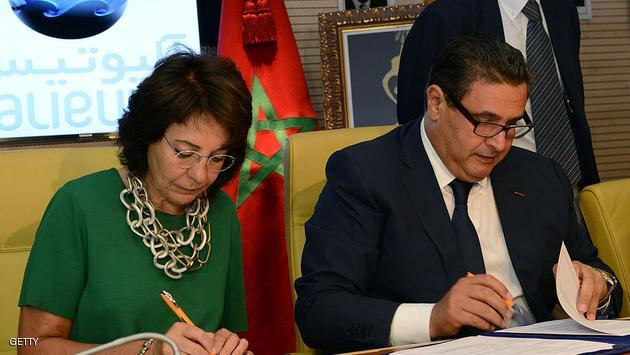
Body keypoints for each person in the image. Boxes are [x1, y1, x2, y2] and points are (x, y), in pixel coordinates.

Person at [294, 34, 622, 353]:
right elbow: (320, 310)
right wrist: (434, 318)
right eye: (485, 122)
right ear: (436, 102)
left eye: (512, 125)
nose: (499, 142)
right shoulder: (365, 175)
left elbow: (596, 270)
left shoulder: (541, 174)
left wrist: (598, 287)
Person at [18, 50, 253, 354]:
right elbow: (27, 346)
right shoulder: (77, 205)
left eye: (217, 157)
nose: (200, 175)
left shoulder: (220, 212)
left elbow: (223, 334)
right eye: (184, 153)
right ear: (148, 134)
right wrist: (150, 350)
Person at [396, 0, 599, 188]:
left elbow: (570, 99)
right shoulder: (446, 16)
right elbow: (416, 114)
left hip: (571, 179)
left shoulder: (561, 8)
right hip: (486, 188)